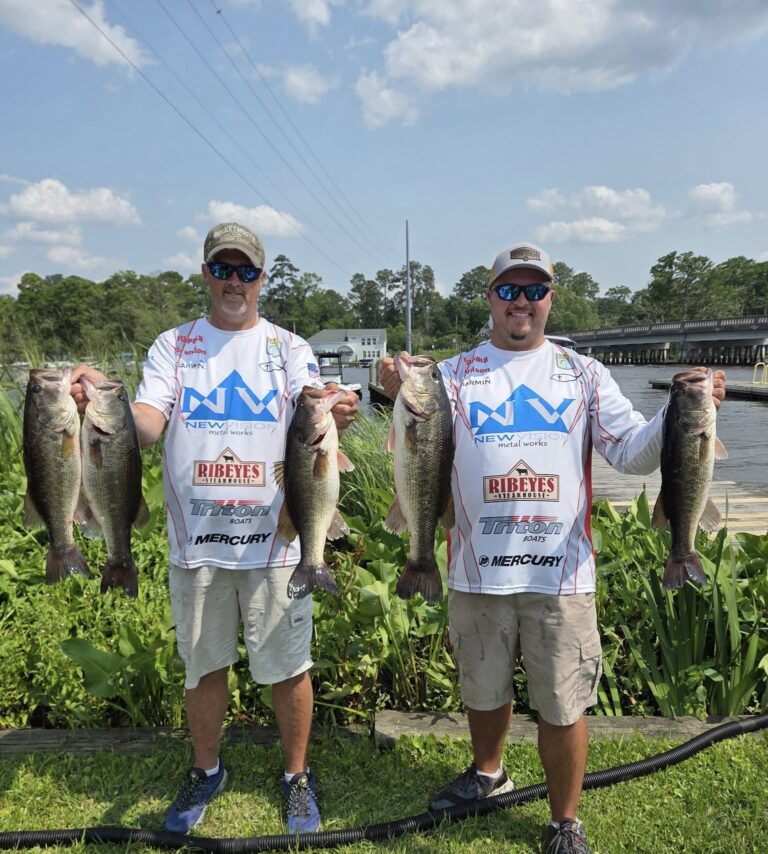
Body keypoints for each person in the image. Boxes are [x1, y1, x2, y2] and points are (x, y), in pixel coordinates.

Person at [379, 242, 726, 854]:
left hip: (561, 575)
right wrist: (389, 391)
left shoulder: (583, 373)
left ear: (550, 300)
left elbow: (630, 451)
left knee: (564, 701)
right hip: (475, 570)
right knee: (482, 690)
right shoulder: (452, 376)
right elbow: (420, 450)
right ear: (489, 298)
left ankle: (565, 820)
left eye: (533, 290)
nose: (521, 302)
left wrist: (682, 410)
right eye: (508, 290)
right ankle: (489, 774)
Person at [71, 222, 358, 835]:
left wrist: (341, 414)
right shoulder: (173, 347)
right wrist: (101, 405)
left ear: (262, 278)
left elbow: (320, 420)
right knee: (203, 667)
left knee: (288, 665)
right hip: (196, 540)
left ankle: (296, 775)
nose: (235, 282)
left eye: (247, 271)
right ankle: (207, 769)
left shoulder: (289, 347)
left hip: (279, 540)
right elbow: (147, 422)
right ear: (205, 273)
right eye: (223, 269)